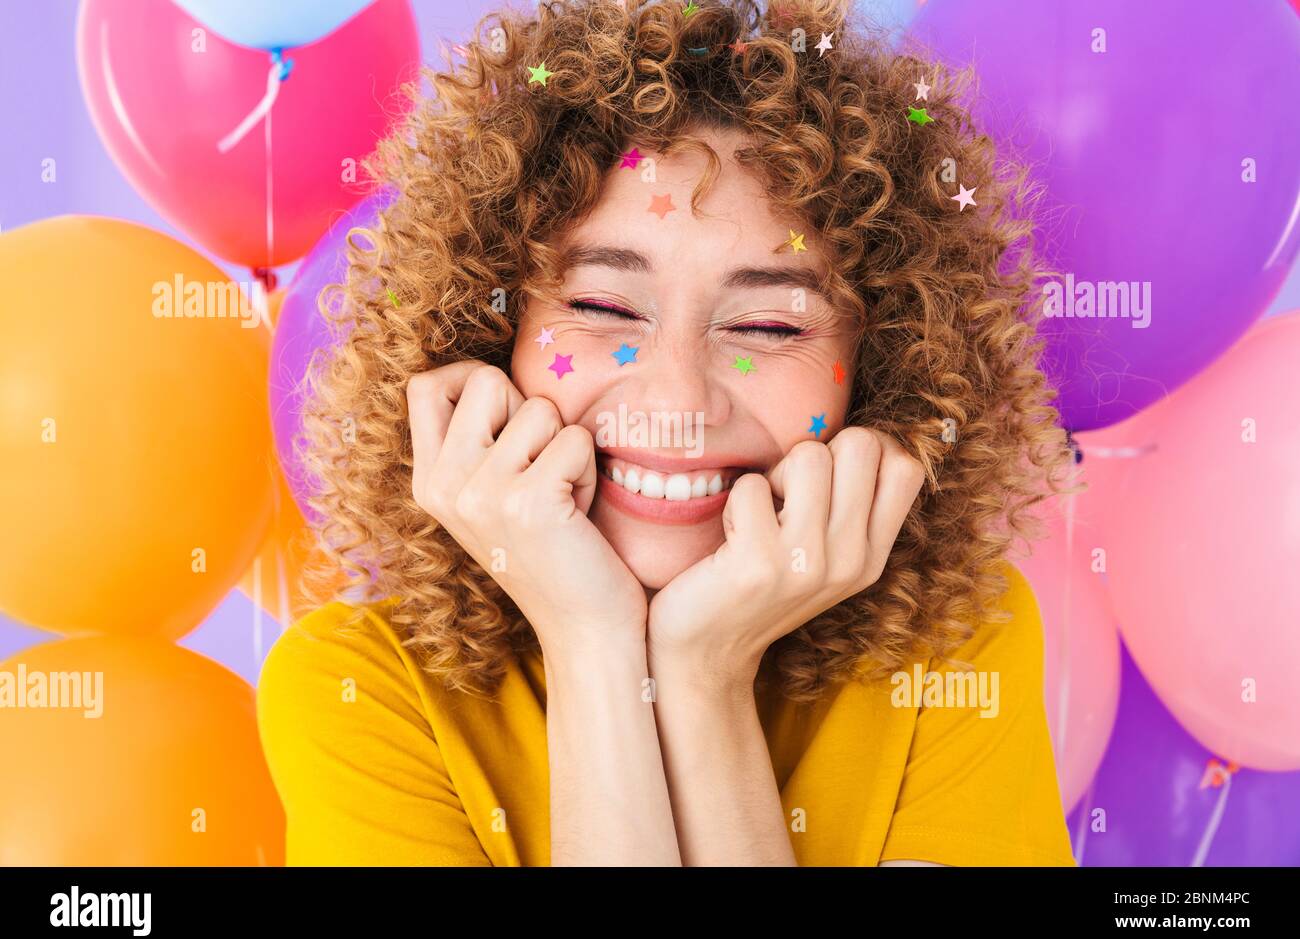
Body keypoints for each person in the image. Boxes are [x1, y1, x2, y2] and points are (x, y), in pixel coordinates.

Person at [257, 0, 1080, 866]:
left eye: (767, 326)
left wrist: (704, 676)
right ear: (482, 335)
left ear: (883, 367)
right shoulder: (355, 687)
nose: (679, 395)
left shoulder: (957, 651)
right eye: (603, 307)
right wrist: (592, 645)